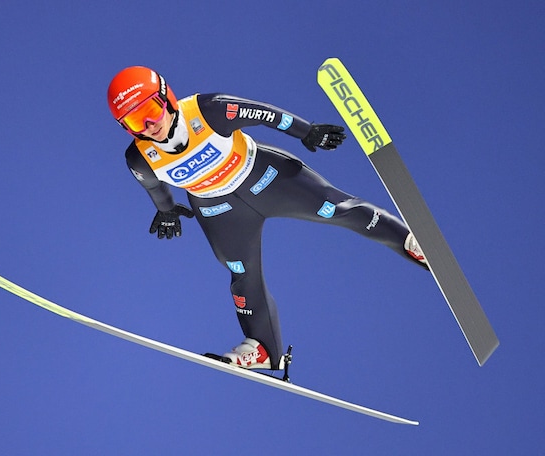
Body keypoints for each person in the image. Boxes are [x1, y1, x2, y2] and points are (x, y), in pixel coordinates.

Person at [107, 66, 427, 371]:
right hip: (219, 210)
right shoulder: (139, 157)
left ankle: (407, 240)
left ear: (167, 98)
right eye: (134, 120)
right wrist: (166, 211)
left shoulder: (207, 110)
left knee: (336, 209)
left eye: (150, 111)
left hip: (265, 178)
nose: (148, 126)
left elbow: (265, 114)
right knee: (242, 275)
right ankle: (263, 350)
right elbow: (155, 187)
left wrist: (307, 132)